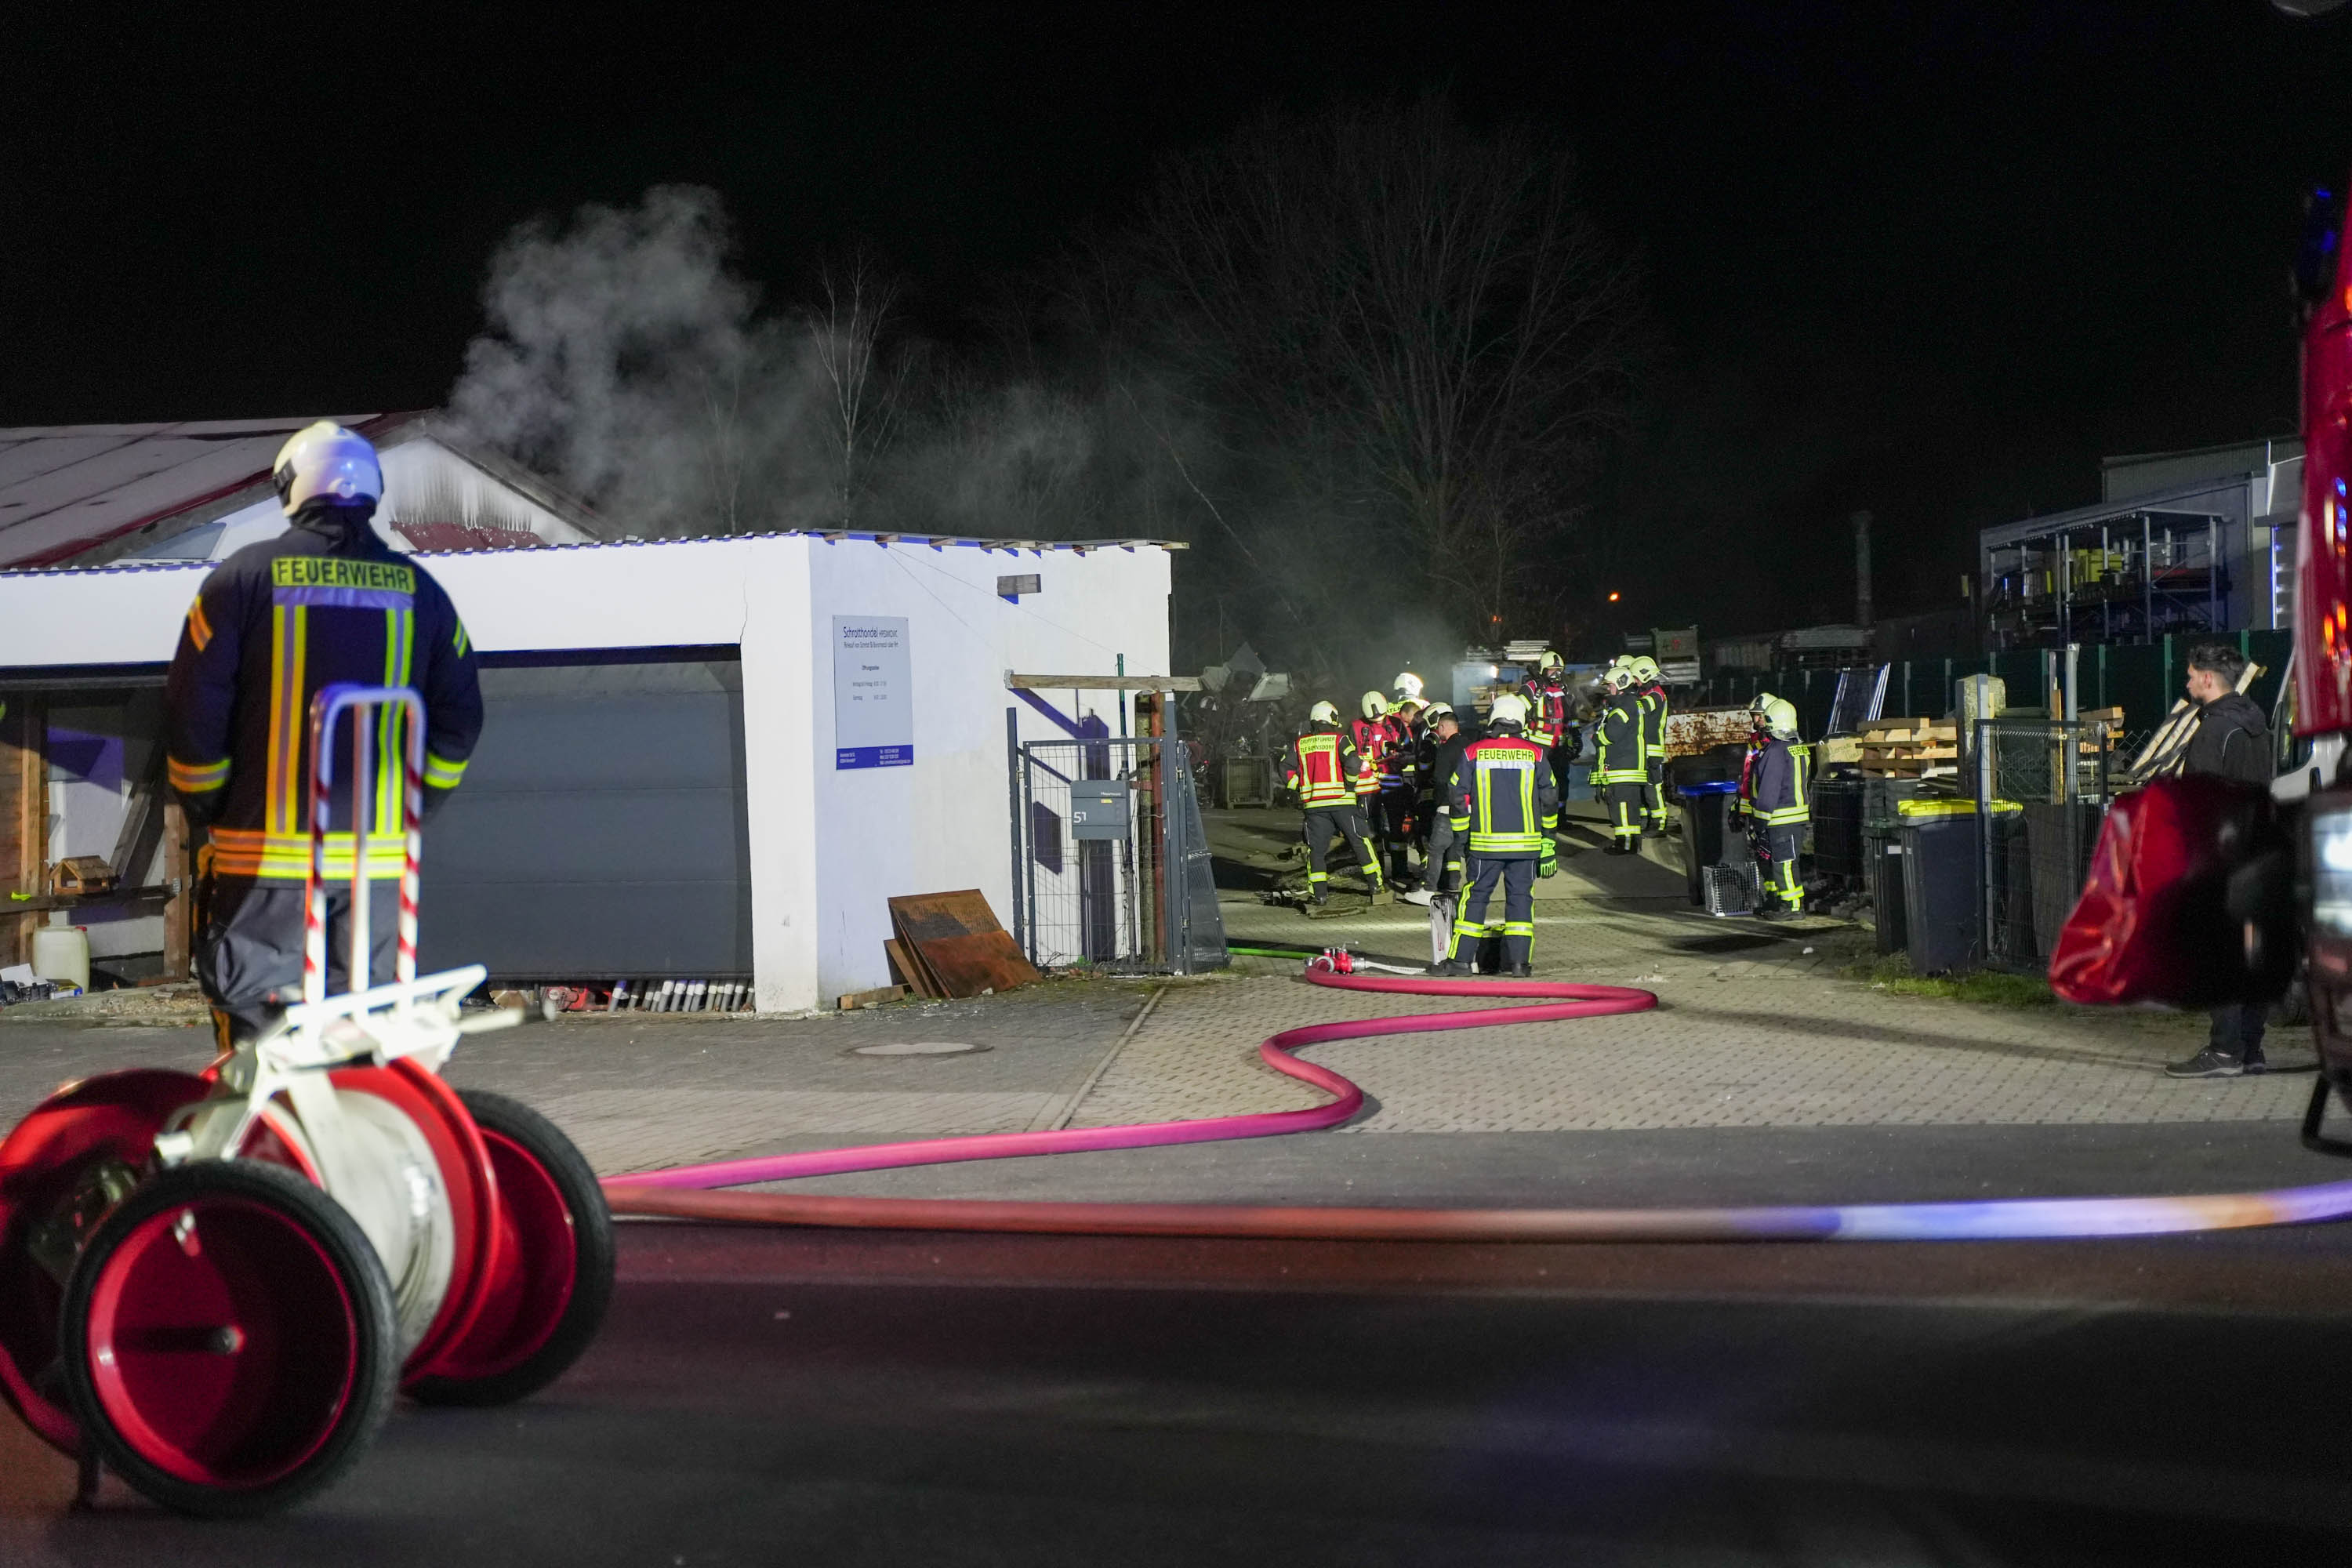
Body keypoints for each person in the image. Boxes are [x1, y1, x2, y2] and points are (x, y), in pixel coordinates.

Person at [166, 422, 483, 1051]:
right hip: (378, 872)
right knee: (363, 1042)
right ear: (372, 491)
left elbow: (192, 713)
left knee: (263, 1049)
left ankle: (271, 1122)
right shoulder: (423, 593)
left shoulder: (241, 580)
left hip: (266, 867)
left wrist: (211, 806)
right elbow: (460, 720)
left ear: (292, 488)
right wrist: (414, 805)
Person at [2165, 642, 2278, 1079]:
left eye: (2192, 675)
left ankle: (2225, 1051)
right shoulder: (2257, 724)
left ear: (2209, 679)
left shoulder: (2213, 731)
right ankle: (2251, 1050)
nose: (2188, 681)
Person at [1434, 692, 1558, 976]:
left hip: (1484, 845)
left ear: (1493, 718)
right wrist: (1549, 840)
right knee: (1521, 900)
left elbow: (1457, 797)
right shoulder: (1537, 754)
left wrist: (1462, 837)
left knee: (1476, 899)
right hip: (1526, 846)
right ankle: (1519, 964)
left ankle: (1460, 961)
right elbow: (1550, 798)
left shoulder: (1473, 752)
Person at [1282, 700, 1384, 905]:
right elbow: (1353, 762)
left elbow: (1285, 769)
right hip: (1342, 803)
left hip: (1314, 807)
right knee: (1359, 841)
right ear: (1330, 718)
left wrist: (1300, 787)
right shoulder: (1339, 740)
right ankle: (1376, 885)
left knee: (1316, 851)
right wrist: (1350, 785)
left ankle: (1319, 895)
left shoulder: (1299, 744)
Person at [1748, 697, 1809, 920]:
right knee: (1790, 863)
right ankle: (1793, 903)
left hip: (1780, 818)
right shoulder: (1799, 748)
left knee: (1783, 864)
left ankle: (1791, 907)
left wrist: (1760, 820)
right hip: (1796, 817)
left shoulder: (1774, 751)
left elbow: (1769, 789)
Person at [1592, 664, 1646, 855]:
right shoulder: (1631, 704)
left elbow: (1610, 735)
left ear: (1620, 685)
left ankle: (1625, 844)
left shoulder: (1622, 708)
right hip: (1628, 766)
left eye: (1610, 686)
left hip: (1622, 768)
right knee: (1629, 809)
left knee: (1622, 808)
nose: (1608, 689)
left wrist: (1596, 737)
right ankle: (1630, 843)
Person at [1631, 655, 1671, 836]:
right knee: (1643, 786)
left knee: (1652, 787)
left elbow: (1639, 709)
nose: (1635, 682)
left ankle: (1659, 823)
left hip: (1652, 750)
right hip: (1643, 749)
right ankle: (1646, 820)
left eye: (1636, 678)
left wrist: (1623, 699)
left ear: (1645, 675)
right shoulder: (1646, 693)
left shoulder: (1656, 695)